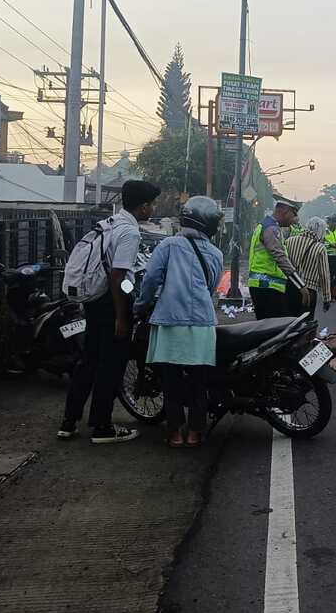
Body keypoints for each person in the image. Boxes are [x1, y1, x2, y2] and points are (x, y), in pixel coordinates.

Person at [59, 179, 160, 444]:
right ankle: (102, 427)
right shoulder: (130, 232)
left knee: (88, 362)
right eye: (152, 204)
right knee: (111, 365)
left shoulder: (110, 223)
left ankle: (68, 423)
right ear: (143, 206)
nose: (153, 209)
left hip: (93, 300)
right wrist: (122, 316)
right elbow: (118, 276)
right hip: (109, 302)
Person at [134, 196, 224, 448]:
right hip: (202, 324)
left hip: (170, 321)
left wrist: (140, 307)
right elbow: (211, 287)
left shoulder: (169, 245)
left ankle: (174, 433)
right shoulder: (216, 253)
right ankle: (195, 433)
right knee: (198, 381)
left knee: (171, 381)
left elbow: (151, 279)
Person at [247, 195, 312, 320]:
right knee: (277, 327)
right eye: (293, 215)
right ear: (284, 211)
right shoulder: (271, 228)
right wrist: (301, 285)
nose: (294, 220)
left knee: (269, 327)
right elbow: (280, 257)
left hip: (265, 286)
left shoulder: (268, 226)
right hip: (266, 286)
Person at [284, 216, 332, 316]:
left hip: (290, 287)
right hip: (309, 292)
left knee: (289, 321)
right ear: (320, 231)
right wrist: (327, 298)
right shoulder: (320, 248)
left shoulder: (289, 241)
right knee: (305, 325)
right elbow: (324, 275)